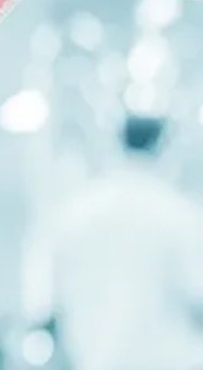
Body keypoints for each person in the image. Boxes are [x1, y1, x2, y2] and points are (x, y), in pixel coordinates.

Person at [43, 115, 203, 370]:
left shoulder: (76, 214)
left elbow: (52, 305)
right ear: (164, 145)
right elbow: (198, 296)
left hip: (94, 361)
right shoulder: (178, 215)